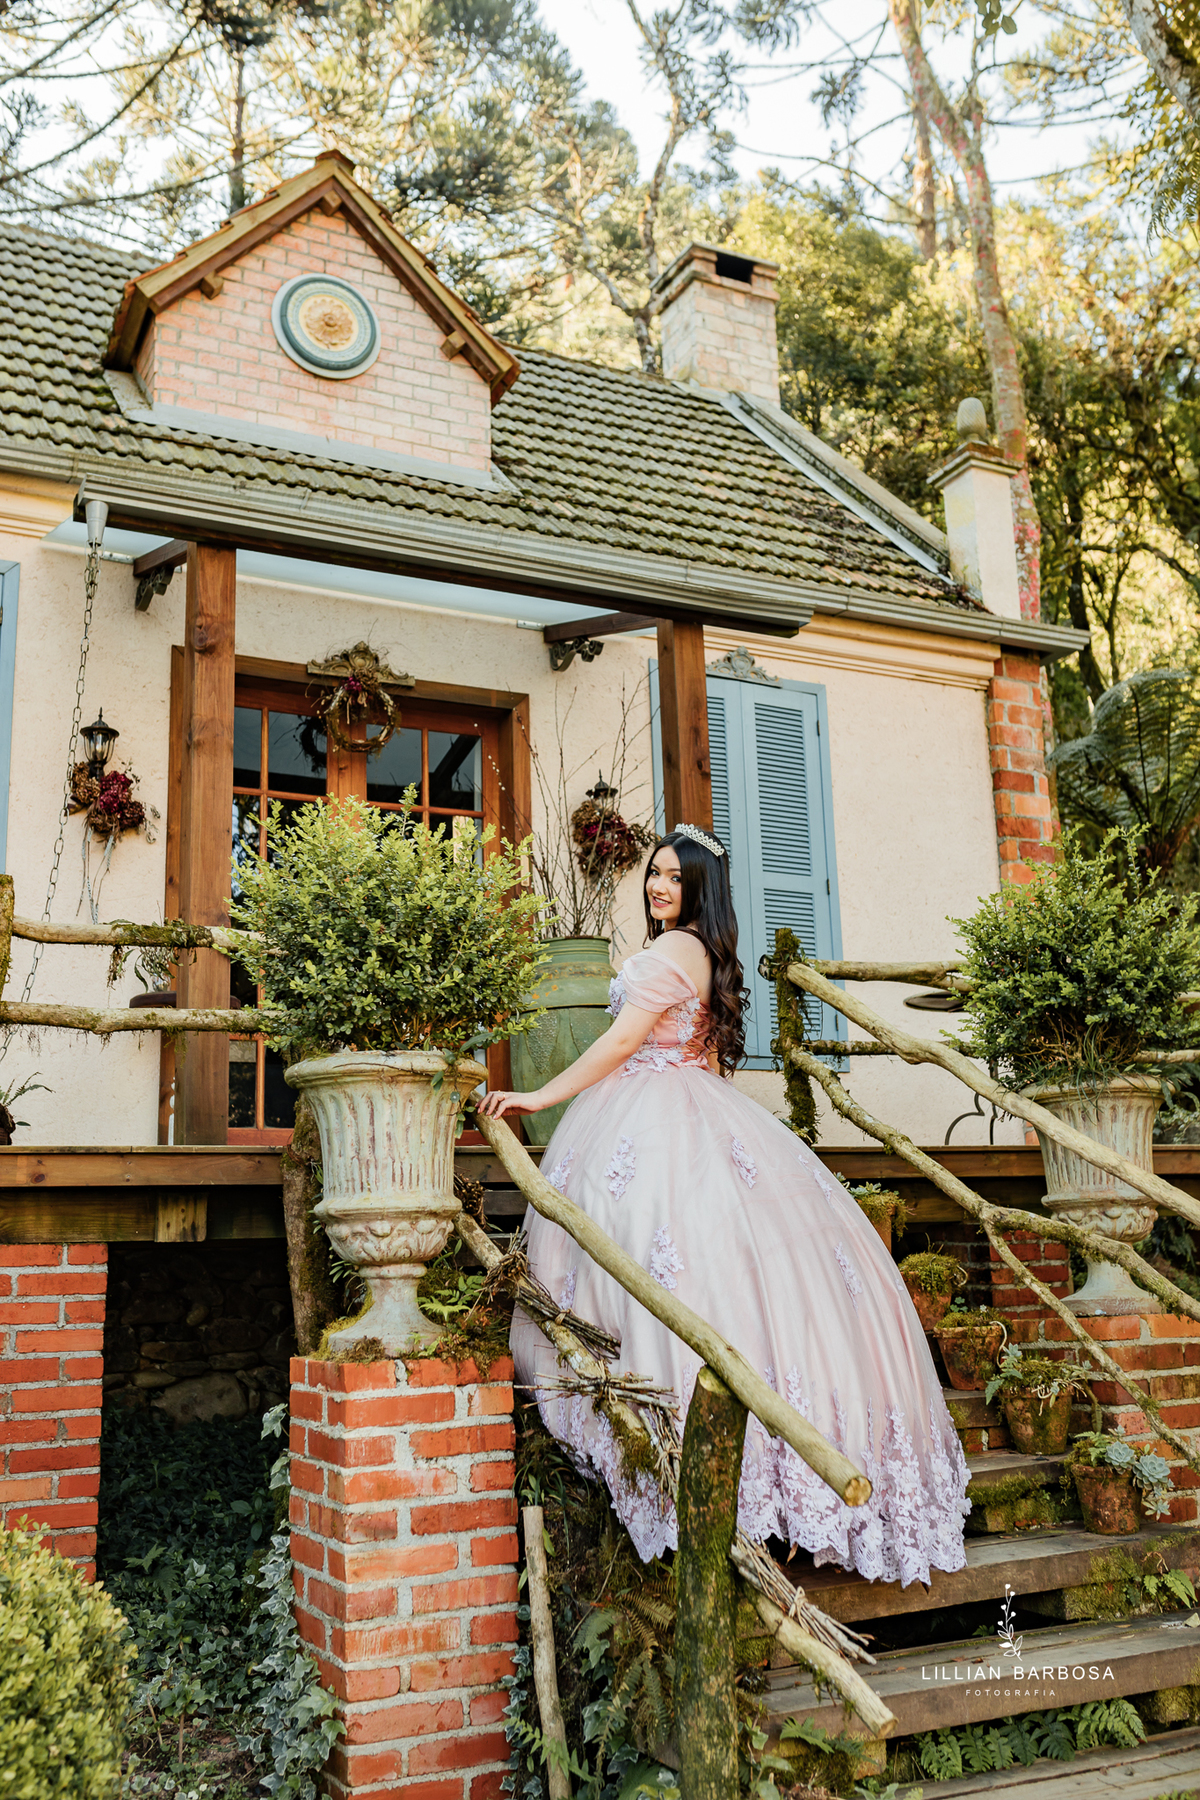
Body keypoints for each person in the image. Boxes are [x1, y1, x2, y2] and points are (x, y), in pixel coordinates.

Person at [479, 824, 970, 1585]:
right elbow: (705, 1056)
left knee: (653, 1260)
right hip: (677, 1101)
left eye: (674, 878)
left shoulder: (674, 951)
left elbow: (618, 1044)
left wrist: (537, 1096)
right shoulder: (701, 954)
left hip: (646, 1103)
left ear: (700, 889)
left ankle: (702, 1461)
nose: (658, 887)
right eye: (654, 874)